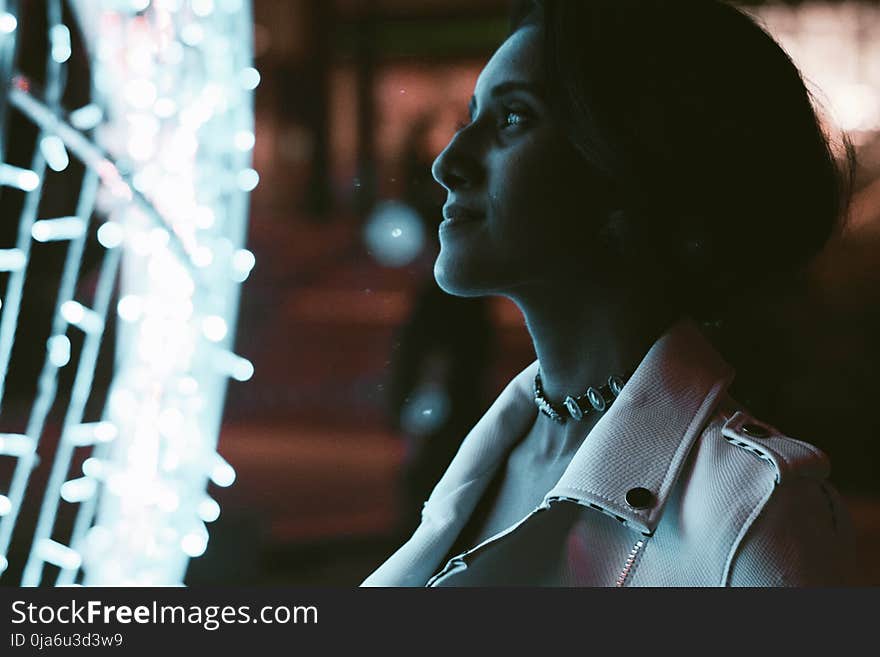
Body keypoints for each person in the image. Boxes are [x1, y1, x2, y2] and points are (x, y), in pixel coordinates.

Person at [362, 0, 856, 586]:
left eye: (514, 117)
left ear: (631, 167)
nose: (448, 163)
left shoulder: (758, 518)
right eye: (471, 117)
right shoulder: (499, 448)